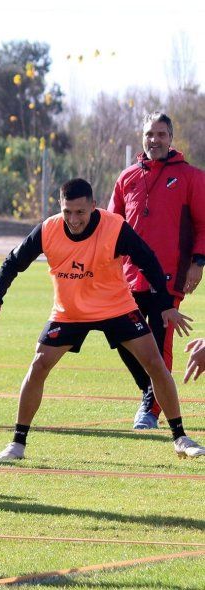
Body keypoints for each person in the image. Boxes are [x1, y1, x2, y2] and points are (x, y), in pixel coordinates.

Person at [0, 178, 204, 461]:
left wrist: (164, 305)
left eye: (80, 212)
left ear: (93, 207)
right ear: (60, 207)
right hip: (69, 312)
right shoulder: (48, 229)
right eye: (67, 212)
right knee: (38, 366)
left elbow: (148, 260)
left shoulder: (114, 227)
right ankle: (17, 443)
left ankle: (180, 437)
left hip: (117, 308)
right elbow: (12, 263)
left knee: (155, 364)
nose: (73, 220)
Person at [107, 112, 205, 429]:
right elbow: (111, 226)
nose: (155, 140)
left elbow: (204, 226)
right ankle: (152, 390)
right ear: (142, 137)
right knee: (121, 336)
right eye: (150, 134)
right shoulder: (127, 178)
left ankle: (149, 411)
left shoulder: (191, 176)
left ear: (171, 138)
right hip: (128, 277)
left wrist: (198, 263)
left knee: (160, 344)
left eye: (161, 134)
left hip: (169, 277)